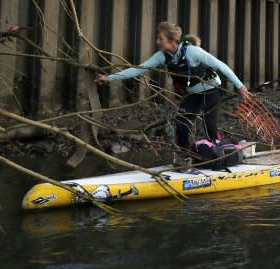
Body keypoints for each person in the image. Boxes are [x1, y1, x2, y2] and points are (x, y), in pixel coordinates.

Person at [95, 21, 250, 165]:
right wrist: (109, 78)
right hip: (192, 94)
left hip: (211, 91)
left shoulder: (193, 51)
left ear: (171, 40)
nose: (157, 42)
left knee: (208, 124)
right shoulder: (162, 56)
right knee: (182, 123)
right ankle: (184, 156)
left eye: (160, 38)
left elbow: (221, 66)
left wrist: (240, 87)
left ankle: (222, 154)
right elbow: (138, 69)